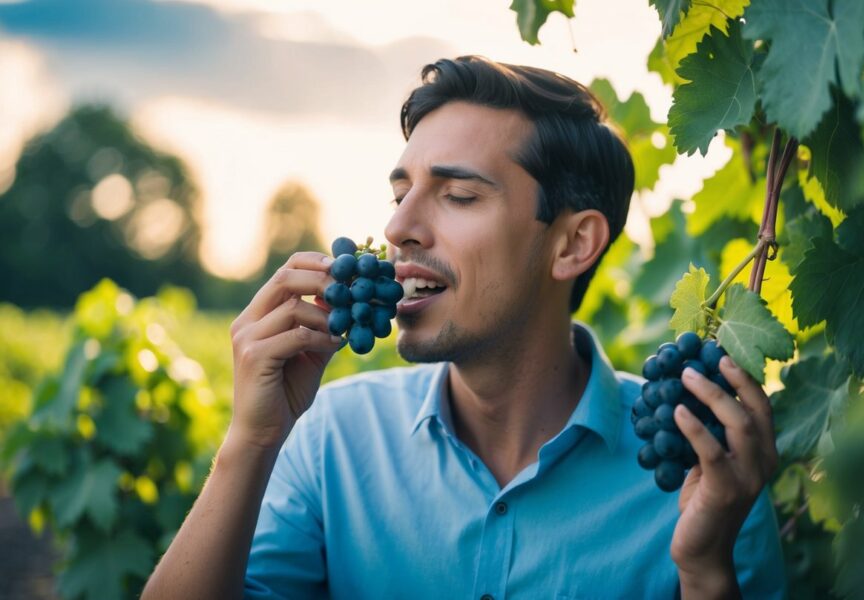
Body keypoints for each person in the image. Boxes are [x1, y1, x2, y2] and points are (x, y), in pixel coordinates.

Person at [141, 55, 785, 600]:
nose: (397, 229)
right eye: (401, 195)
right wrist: (250, 442)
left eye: (459, 196)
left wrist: (705, 574)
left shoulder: (704, 474)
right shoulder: (327, 440)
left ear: (572, 245)